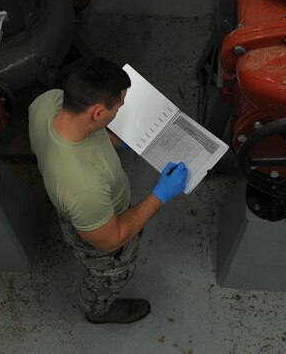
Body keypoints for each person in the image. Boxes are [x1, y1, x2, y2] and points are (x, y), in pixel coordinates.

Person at [28, 57, 188, 324]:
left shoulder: (48, 101)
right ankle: (99, 310)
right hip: (100, 232)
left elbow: (86, 134)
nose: (120, 111)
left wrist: (114, 140)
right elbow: (112, 240)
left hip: (82, 206)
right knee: (109, 275)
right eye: (119, 107)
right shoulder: (83, 187)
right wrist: (160, 194)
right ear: (98, 113)